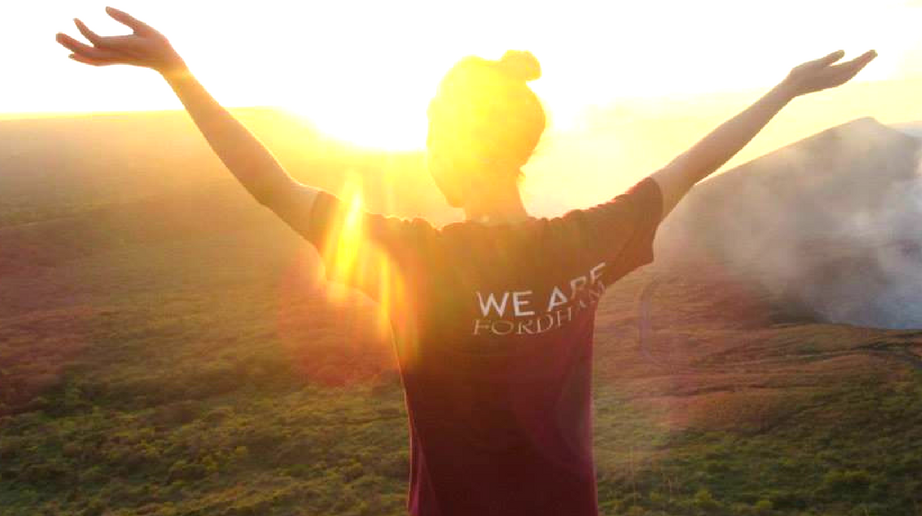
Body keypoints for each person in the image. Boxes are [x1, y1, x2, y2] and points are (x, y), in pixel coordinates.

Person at [56, 7, 875, 515]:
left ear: (452, 147)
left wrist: (177, 72)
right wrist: (786, 90)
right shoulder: (588, 241)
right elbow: (693, 165)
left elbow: (270, 184)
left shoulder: (415, 256)